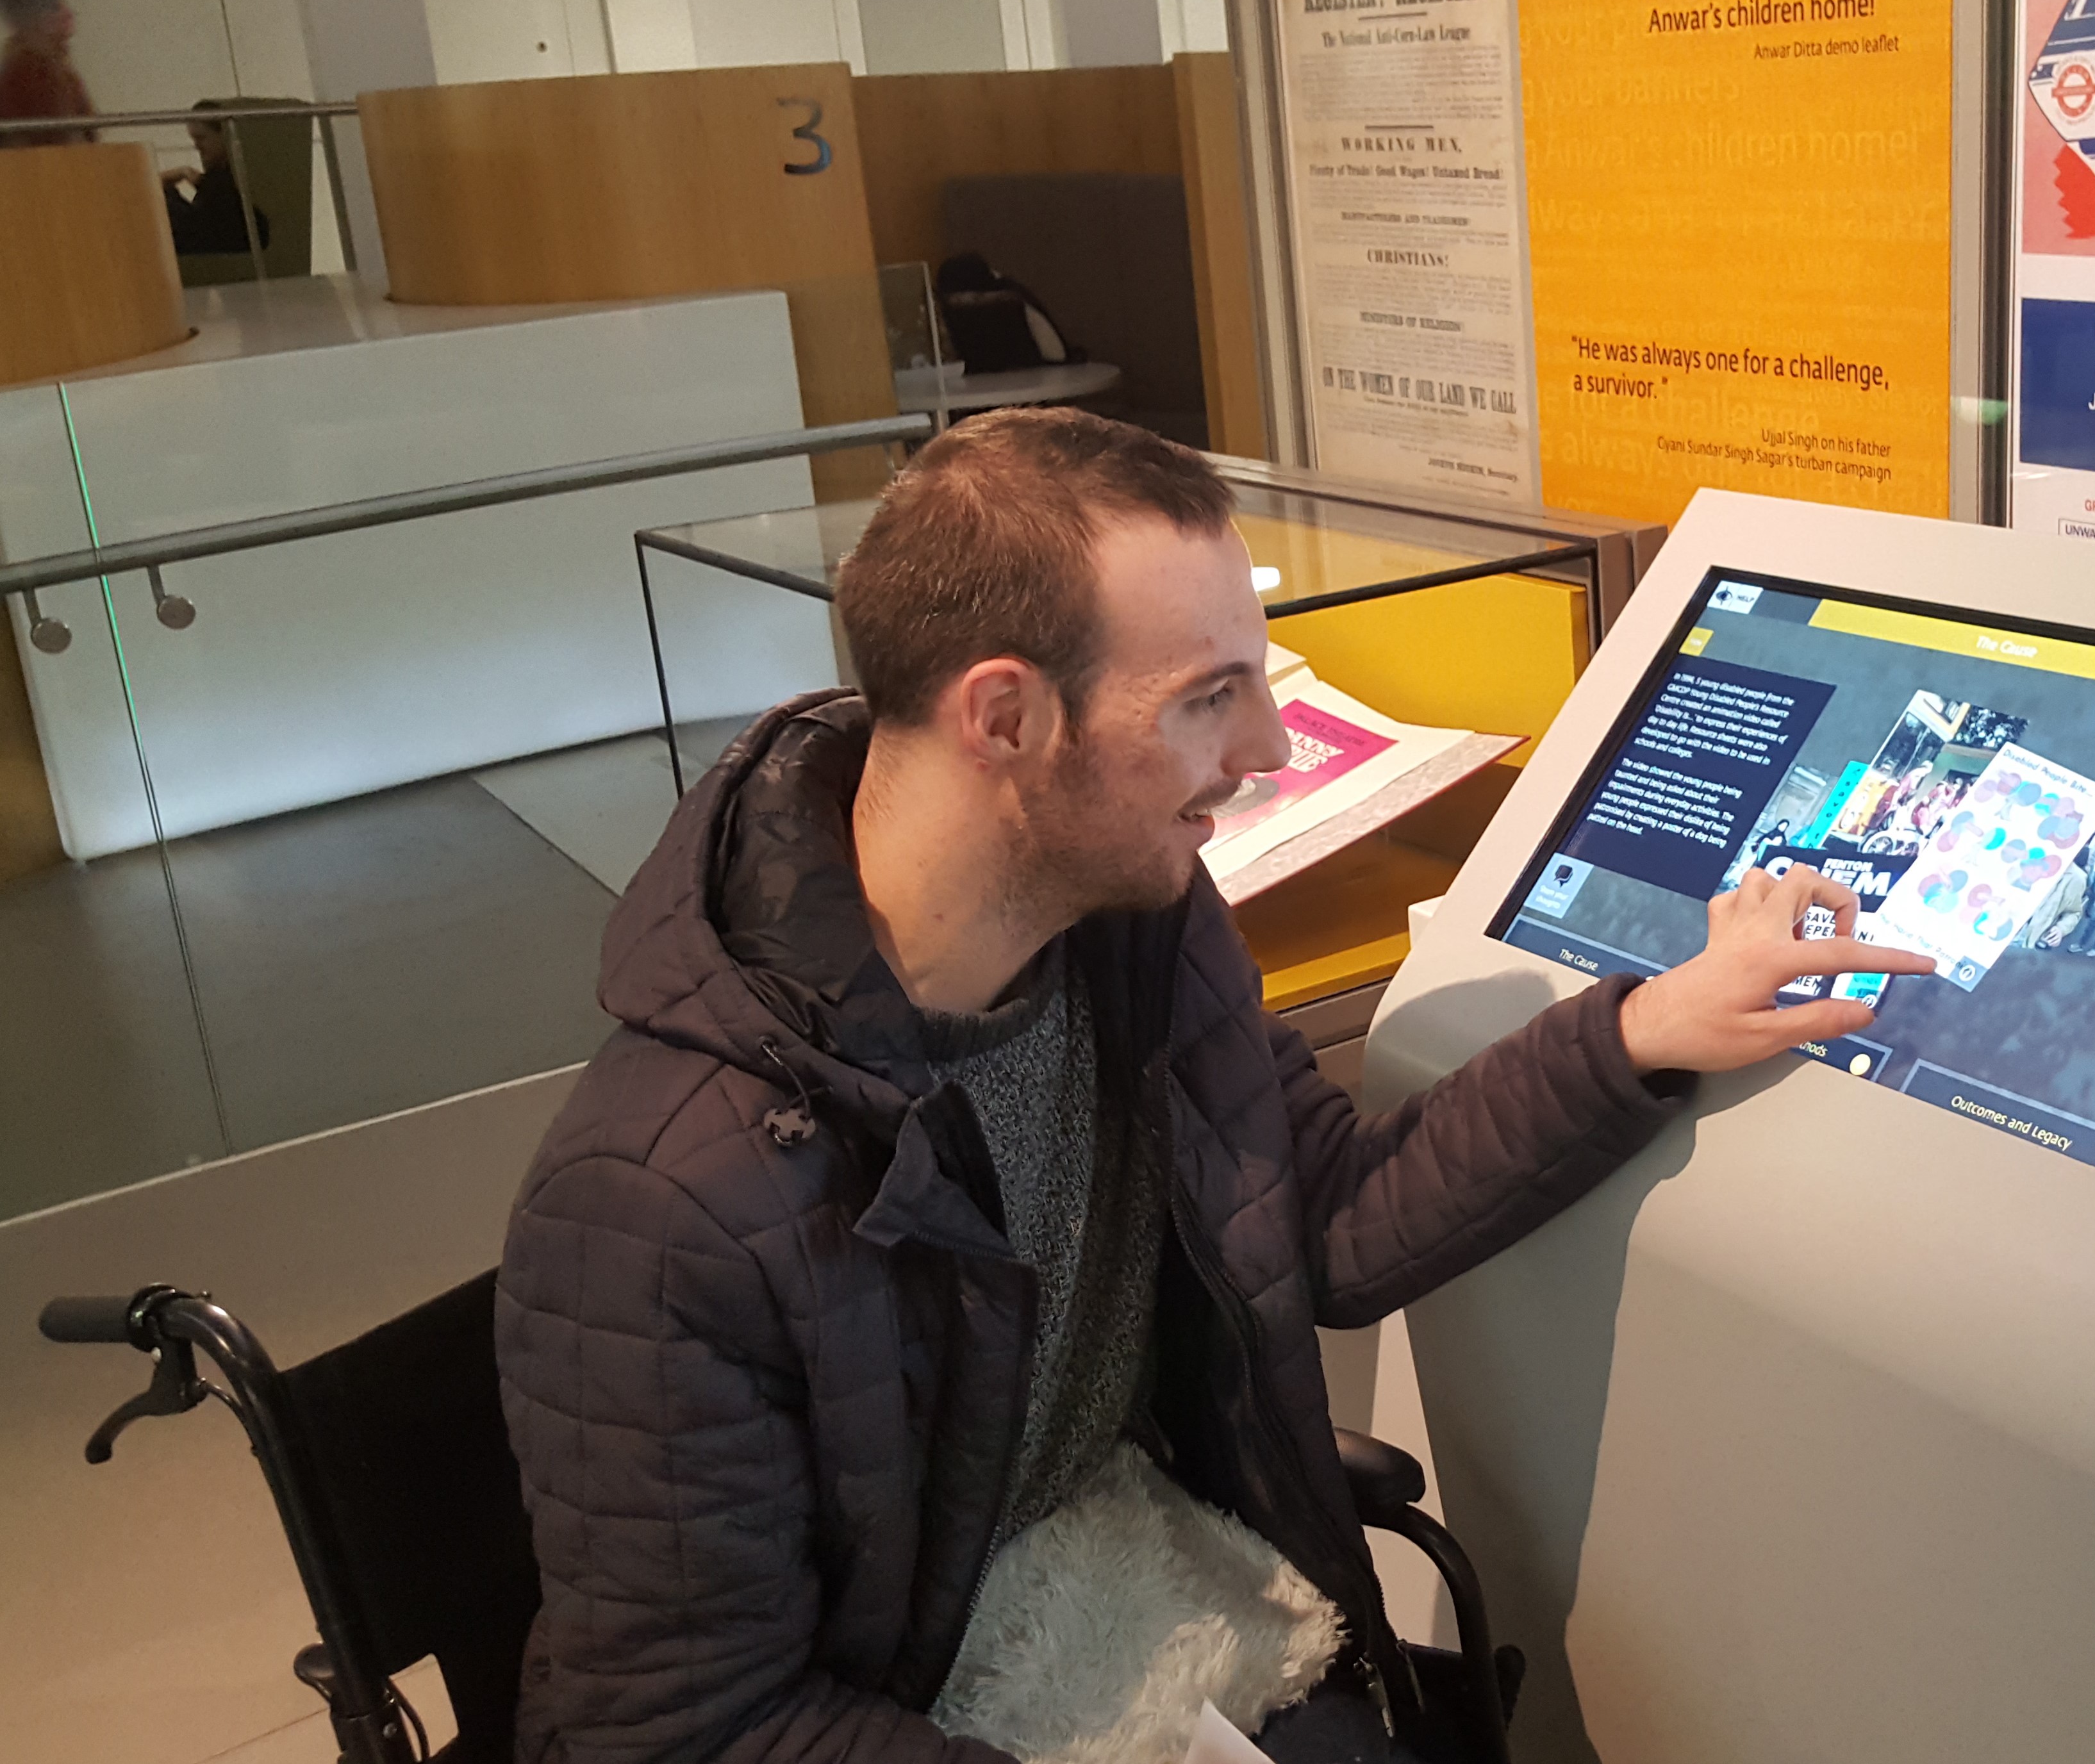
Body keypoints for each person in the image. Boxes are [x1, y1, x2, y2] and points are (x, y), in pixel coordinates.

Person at [494, 409, 1930, 1764]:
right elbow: (698, 1728)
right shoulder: (662, 1199)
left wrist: (1643, 1029)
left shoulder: (1132, 929)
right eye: (1207, 698)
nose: (1265, 751)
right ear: (1002, 718)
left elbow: (1323, 1221)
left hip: (1085, 1576)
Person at [0, 0, 90, 145]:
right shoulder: (29, 70)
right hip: (48, 164)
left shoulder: (54, 67)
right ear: (45, 20)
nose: (70, 15)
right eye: (59, 8)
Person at [161, 100, 267, 257]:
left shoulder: (228, 181)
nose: (197, 146)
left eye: (201, 138)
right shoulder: (221, 178)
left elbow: (195, 230)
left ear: (224, 135)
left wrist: (167, 189)